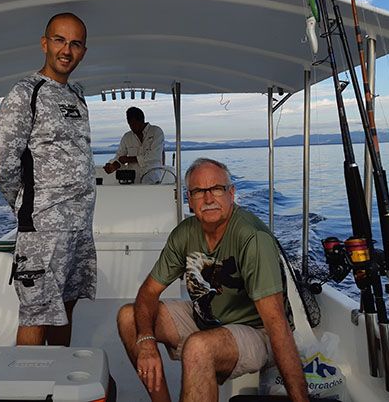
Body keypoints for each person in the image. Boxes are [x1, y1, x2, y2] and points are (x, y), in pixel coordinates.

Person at [117, 158, 308, 402]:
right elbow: (148, 292)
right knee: (128, 317)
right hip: (207, 318)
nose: (208, 199)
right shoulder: (185, 233)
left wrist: (300, 399)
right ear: (189, 198)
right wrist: (145, 341)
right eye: (199, 192)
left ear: (232, 193)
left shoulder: (252, 239)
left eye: (217, 189)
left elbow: (277, 325)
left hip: (258, 332)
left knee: (198, 347)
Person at [0, 13, 96, 347]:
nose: (66, 50)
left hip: (80, 226)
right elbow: (5, 165)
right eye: (59, 40)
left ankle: (58, 380)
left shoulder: (77, 95)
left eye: (75, 43)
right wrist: (29, 209)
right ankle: (26, 387)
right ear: (44, 43)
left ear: (82, 51)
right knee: (37, 313)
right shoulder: (26, 93)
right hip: (43, 230)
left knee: (66, 307)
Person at [103, 107, 165, 184]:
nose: (132, 127)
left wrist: (130, 159)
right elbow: (120, 156)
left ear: (142, 120)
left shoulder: (156, 132)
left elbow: (155, 156)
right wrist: (113, 165)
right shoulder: (127, 136)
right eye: (130, 124)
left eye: (134, 124)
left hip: (153, 180)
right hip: (133, 182)